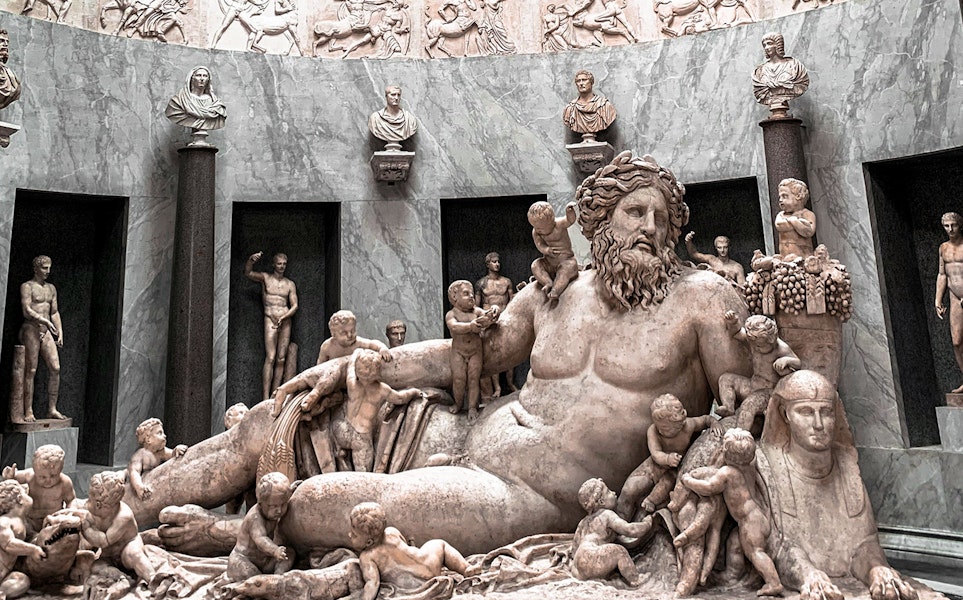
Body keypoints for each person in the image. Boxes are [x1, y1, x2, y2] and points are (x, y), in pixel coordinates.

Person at [137, 151, 750, 558]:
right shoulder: (556, 293)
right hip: (460, 431)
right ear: (600, 221)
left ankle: (227, 536)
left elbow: (743, 411)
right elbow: (476, 353)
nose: (649, 227)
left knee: (328, 501)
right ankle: (113, 506)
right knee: (274, 419)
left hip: (524, 494)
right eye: (634, 211)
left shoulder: (701, 300)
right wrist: (353, 367)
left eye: (663, 219)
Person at [756, 371, 917, 600]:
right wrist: (809, 575)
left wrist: (877, 569)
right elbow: (780, 544)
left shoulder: (846, 463)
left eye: (827, 412)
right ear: (784, 414)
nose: (819, 424)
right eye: (806, 412)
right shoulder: (768, 462)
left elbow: (864, 544)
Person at [679, 429, 783, 597]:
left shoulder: (727, 473)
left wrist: (688, 481)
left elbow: (709, 488)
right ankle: (732, 575)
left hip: (749, 522)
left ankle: (774, 582)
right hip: (757, 517)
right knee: (734, 544)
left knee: (756, 552)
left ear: (726, 452)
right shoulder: (750, 465)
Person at [348, 502, 474, 600]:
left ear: (369, 541)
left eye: (354, 535)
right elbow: (404, 550)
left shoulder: (367, 557)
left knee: (437, 545)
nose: (349, 535)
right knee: (439, 544)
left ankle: (466, 568)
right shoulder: (392, 532)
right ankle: (466, 568)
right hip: (429, 564)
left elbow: (372, 583)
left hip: (415, 583)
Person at [616, 394, 716, 519]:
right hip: (654, 465)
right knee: (629, 489)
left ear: (679, 424)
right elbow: (656, 453)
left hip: (676, 468)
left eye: (665, 427)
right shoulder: (653, 431)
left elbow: (706, 420)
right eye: (658, 426)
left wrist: (714, 424)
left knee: (664, 486)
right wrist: (667, 459)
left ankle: (648, 506)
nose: (660, 430)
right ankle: (619, 519)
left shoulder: (688, 426)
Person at [335, 349, 425, 472]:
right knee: (363, 476)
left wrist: (357, 351)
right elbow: (400, 398)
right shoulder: (381, 390)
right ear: (377, 371)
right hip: (361, 438)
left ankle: (339, 453)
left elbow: (350, 364)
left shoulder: (352, 383)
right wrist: (414, 392)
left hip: (343, 430)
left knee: (334, 425)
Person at [78, 471, 169, 591]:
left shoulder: (123, 516)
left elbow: (104, 541)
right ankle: (121, 577)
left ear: (111, 505)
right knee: (96, 567)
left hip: (127, 547)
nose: (93, 506)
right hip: (109, 554)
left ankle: (152, 579)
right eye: (92, 500)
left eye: (99, 504)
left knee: (135, 555)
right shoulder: (93, 507)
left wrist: (85, 528)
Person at [716, 311, 800, 432]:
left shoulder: (781, 348)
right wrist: (733, 322)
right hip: (752, 385)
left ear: (771, 339)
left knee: (748, 405)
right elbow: (737, 333)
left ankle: (739, 436)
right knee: (726, 379)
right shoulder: (754, 340)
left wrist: (786, 360)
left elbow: (798, 363)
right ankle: (729, 407)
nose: (756, 349)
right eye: (754, 346)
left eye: (760, 346)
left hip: (769, 392)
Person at [570, 478, 653, 583]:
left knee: (606, 555)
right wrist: (647, 523)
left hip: (577, 567)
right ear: (601, 501)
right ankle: (635, 579)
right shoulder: (606, 514)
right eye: (609, 491)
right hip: (592, 557)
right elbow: (630, 530)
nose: (614, 493)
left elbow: (574, 550)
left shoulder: (583, 522)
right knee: (619, 551)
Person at [19, 255, 67, 423]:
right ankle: (28, 410)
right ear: (36, 268)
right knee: (31, 370)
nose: (48, 271)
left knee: (55, 368)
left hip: (46, 331)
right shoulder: (27, 287)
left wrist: (59, 331)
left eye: (49, 267)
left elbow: (54, 312)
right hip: (31, 328)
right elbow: (26, 310)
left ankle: (52, 409)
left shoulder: (51, 288)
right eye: (44, 268)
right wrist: (44, 320)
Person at [246, 252, 298, 398]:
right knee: (270, 357)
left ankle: (276, 394)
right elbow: (249, 273)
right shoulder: (266, 278)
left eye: (284, 264)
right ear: (273, 264)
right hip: (270, 318)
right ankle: (265, 396)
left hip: (285, 319)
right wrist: (251, 260)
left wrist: (284, 316)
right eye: (279, 263)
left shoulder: (289, 284)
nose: (282, 267)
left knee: (281, 358)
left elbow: (294, 306)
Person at [227, 473, 297, 582]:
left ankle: (278, 576)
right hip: (244, 559)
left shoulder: (272, 509)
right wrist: (275, 550)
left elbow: (280, 497)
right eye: (273, 506)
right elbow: (261, 539)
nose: (279, 510)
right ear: (260, 503)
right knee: (253, 578)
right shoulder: (255, 518)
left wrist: (291, 490)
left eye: (283, 504)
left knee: (289, 553)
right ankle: (266, 583)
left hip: (265, 559)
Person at [445, 280, 498, 421]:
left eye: (472, 294)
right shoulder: (452, 314)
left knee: (474, 380)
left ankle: (472, 407)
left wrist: (494, 311)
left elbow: (487, 314)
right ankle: (458, 403)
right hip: (458, 352)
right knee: (459, 379)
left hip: (475, 351)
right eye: (466, 294)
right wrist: (470, 327)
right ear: (454, 298)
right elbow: (454, 327)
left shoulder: (476, 311)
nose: (471, 297)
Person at [2, 444, 76, 534]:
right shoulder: (30, 476)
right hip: (32, 519)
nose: (48, 480)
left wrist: (69, 513)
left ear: (60, 470)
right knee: (20, 527)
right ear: (35, 471)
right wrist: (11, 476)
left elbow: (71, 500)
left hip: (53, 521)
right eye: (42, 477)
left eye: (53, 475)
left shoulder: (65, 483)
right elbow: (15, 477)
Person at [476, 253, 517, 397]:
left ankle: (510, 383)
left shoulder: (506, 282)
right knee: (493, 352)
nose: (497, 264)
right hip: (490, 320)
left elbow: (512, 300)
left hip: (505, 318)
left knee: (510, 351)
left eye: (498, 261)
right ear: (488, 264)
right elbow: (476, 306)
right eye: (494, 262)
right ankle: (497, 387)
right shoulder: (481, 283)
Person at [529, 201, 580, 302]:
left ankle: (556, 290)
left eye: (542, 228)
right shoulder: (536, 232)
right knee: (535, 265)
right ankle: (547, 282)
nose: (540, 231)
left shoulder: (559, 224)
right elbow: (539, 245)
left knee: (567, 270)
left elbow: (569, 221)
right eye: (537, 228)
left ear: (551, 221)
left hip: (566, 260)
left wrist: (569, 212)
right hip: (549, 262)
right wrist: (546, 250)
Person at [751, 32, 809, 117]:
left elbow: (801, 84)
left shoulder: (794, 65)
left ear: (778, 45)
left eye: (770, 43)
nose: (767, 47)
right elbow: (759, 91)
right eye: (764, 45)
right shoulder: (760, 71)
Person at [936, 212, 963, 392]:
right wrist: (938, 299)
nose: (950, 229)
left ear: (960, 225)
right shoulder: (943, 248)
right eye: (946, 226)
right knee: (956, 341)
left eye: (953, 225)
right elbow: (942, 274)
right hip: (954, 298)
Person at [128, 418, 187, 501]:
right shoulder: (140, 454)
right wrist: (139, 487)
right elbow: (134, 472)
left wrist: (177, 449)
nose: (165, 436)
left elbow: (172, 454)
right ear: (148, 439)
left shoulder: (161, 452)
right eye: (160, 433)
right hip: (144, 485)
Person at [316, 310, 392, 364]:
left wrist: (383, 348)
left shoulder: (358, 343)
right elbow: (318, 367)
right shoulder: (327, 347)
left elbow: (373, 344)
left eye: (352, 331)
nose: (350, 335)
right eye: (344, 333)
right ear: (334, 334)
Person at [165, 66, 227, 131]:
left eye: (205, 76)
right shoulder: (178, 101)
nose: (202, 78)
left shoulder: (216, 104)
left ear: (208, 80)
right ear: (192, 78)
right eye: (198, 75)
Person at [562, 70, 617, 140]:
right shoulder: (570, 109)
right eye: (578, 81)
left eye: (584, 80)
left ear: (591, 82)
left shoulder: (605, 106)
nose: (581, 83)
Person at [774, 178, 816, 259]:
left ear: (798, 196)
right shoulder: (781, 215)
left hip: (804, 256)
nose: (780, 200)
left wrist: (793, 221)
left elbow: (808, 232)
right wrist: (796, 221)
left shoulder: (808, 214)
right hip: (785, 257)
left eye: (784, 196)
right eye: (780, 197)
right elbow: (779, 225)